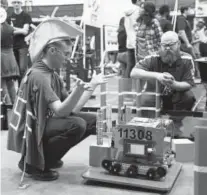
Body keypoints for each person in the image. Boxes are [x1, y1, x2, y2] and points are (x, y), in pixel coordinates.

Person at [7, 18, 109, 181]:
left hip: (44, 122)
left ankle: (49, 158)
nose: (68, 58)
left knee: (93, 121)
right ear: (52, 51)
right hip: (34, 129)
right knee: (77, 124)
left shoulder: (52, 74)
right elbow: (61, 111)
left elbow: (73, 110)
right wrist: (78, 91)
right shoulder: (39, 76)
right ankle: (35, 165)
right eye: (66, 54)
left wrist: (91, 86)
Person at [131, 31, 196, 112]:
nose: (168, 48)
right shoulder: (153, 57)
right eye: (164, 45)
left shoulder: (187, 59)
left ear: (178, 44)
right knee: (140, 102)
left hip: (177, 93)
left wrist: (174, 84)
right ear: (160, 45)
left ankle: (176, 120)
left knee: (188, 98)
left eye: (171, 45)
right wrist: (158, 76)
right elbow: (134, 72)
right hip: (154, 93)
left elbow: (189, 83)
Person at [7, 0, 32, 83]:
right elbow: (8, 32)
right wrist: (20, 30)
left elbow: (25, 32)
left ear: (21, 3)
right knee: (16, 70)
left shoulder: (26, 16)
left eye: (18, 2)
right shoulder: (9, 17)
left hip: (23, 46)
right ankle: (19, 91)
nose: (16, 4)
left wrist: (13, 28)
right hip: (13, 46)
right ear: (12, 4)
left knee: (22, 68)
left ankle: (23, 89)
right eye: (15, 2)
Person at [1, 0, 19, 105]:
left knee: (2, 82)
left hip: (1, 56)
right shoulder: (9, 28)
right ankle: (16, 102)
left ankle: (7, 103)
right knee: (10, 81)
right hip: (10, 56)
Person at [124, 0, 143, 78]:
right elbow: (137, 25)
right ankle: (137, 87)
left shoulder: (127, 12)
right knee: (139, 66)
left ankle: (126, 87)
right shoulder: (138, 10)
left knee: (130, 65)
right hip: (138, 41)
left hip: (129, 41)